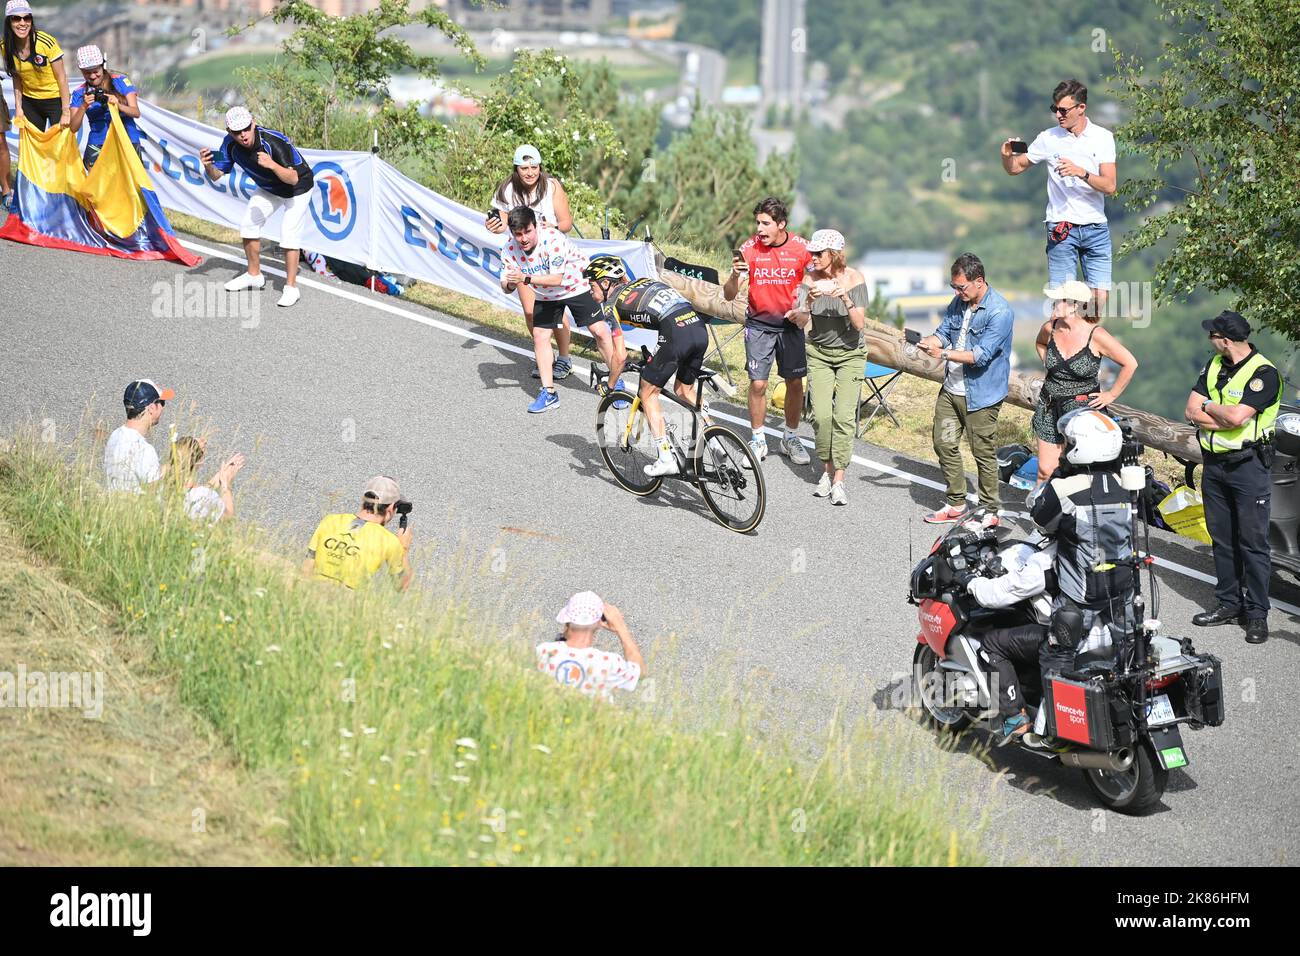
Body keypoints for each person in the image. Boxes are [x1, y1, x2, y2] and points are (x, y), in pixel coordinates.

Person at [1029, 408, 1137, 742]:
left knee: (1056, 656)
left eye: (1067, 442)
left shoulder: (1066, 489)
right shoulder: (1129, 483)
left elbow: (1040, 521)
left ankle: (1048, 730)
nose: (1062, 448)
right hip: (1124, 593)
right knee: (1132, 654)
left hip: (1080, 599)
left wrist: (1057, 479)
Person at [1185, 311, 1282, 645]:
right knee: (1222, 538)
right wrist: (1219, 413)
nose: (1209, 340)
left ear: (1224, 339)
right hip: (1214, 465)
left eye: (1211, 335)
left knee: (1253, 543)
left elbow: (1238, 417)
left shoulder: (1264, 374)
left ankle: (1256, 614)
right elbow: (1190, 410)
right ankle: (1228, 604)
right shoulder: (1213, 364)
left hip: (1248, 466)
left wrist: (1210, 410)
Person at [1001, 78, 1117, 318]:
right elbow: (1015, 168)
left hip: (1095, 225)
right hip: (1061, 226)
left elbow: (1110, 185)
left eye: (1063, 110)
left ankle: (1082, 346)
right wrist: (1006, 156)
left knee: (1098, 301)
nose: (1058, 115)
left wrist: (1081, 172)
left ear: (1081, 108)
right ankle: (1062, 347)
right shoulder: (1048, 138)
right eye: (1055, 110)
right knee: (1063, 303)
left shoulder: (1103, 137)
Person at [584, 255, 706, 477]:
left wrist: (610, 385)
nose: (590, 292)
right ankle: (716, 443)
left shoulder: (611, 306)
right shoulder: (641, 281)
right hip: (697, 327)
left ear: (604, 283)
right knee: (684, 391)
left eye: (591, 285)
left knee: (647, 393)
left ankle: (665, 457)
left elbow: (620, 356)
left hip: (675, 333)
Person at [917, 253, 1015, 526]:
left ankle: (990, 510)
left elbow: (980, 356)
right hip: (951, 391)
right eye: (954, 287)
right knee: (944, 443)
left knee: (981, 453)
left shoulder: (1000, 312)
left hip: (981, 397)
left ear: (979, 281)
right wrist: (929, 341)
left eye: (962, 287)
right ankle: (956, 502)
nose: (958, 292)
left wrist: (943, 353)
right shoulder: (959, 302)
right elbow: (945, 331)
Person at [500, 205, 622, 415]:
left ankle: (616, 382)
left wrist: (524, 278)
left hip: (576, 284)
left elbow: (556, 279)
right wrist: (511, 283)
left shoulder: (553, 240)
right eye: (518, 234)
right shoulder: (509, 249)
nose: (523, 239)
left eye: (527, 232)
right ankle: (549, 393)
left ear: (535, 226)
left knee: (600, 331)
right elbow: (505, 287)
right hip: (546, 294)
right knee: (539, 335)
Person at [723, 196, 812, 465]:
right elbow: (728, 296)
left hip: (790, 326)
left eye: (765, 223)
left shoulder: (801, 247)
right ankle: (758, 439)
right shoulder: (748, 248)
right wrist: (735, 276)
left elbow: (816, 277)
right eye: (757, 223)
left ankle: (790, 437)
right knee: (758, 383)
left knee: (794, 383)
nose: (759, 229)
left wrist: (805, 307)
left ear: (781, 224)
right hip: (759, 325)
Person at [199, 106, 315, 308]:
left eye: (246, 128)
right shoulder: (229, 145)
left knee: (288, 233)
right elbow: (217, 175)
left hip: (298, 187)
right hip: (270, 187)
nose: (243, 135)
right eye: (236, 132)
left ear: (253, 123)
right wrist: (208, 165)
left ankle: (291, 288)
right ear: (229, 132)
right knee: (248, 225)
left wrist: (272, 165)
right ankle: (254, 275)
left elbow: (293, 178)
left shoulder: (273, 141)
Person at [786, 229, 867, 505]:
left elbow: (859, 324)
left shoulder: (855, 278)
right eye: (812, 253)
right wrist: (806, 304)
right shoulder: (809, 279)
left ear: (834, 255)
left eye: (819, 253)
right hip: (819, 352)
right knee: (820, 415)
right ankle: (826, 470)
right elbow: (799, 321)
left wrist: (845, 297)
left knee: (843, 417)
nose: (813, 258)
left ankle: (839, 479)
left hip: (851, 354)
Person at [485, 143, 576, 383]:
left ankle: (565, 358)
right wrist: (494, 226)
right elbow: (503, 223)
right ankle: (544, 355)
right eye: (524, 168)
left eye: (534, 167)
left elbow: (566, 222)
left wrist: (552, 226)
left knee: (554, 311)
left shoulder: (551, 186)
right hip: (523, 256)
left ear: (540, 167)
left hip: (550, 255)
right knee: (530, 310)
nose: (530, 172)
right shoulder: (506, 190)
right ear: (516, 168)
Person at [1032, 279, 1138, 482]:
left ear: (1074, 305)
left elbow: (1130, 363)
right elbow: (1039, 343)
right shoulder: (1050, 328)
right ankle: (1040, 510)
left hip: (1081, 411)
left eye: (1060, 300)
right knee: (1046, 470)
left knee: (1080, 471)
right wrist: (1049, 362)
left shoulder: (1096, 334)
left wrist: (1111, 394)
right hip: (1049, 405)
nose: (1053, 303)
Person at [966, 535, 1057, 743]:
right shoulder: (1105, 549)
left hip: (1060, 636)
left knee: (991, 644)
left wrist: (972, 583)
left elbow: (1000, 593)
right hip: (1103, 631)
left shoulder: (1047, 562)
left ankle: (1015, 717)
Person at [302, 476, 414, 592]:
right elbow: (402, 586)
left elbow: (306, 569)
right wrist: (403, 549)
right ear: (391, 508)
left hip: (312, 594)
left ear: (363, 500)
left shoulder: (330, 520)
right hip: (347, 604)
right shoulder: (389, 541)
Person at [535, 592, 644, 701]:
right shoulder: (608, 663)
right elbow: (641, 675)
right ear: (599, 623)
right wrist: (621, 627)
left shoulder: (544, 652)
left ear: (567, 622)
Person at [68, 44, 143, 170]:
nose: (92, 76)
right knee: (99, 188)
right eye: (87, 73)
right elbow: (73, 128)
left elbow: (136, 112)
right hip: (98, 143)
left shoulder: (121, 81)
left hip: (127, 139)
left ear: (102, 66)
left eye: (96, 71)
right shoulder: (79, 92)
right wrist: (83, 106)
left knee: (131, 187)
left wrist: (118, 105)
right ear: (81, 71)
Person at [1, 1, 69, 133]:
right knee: (33, 147)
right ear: (9, 22)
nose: (22, 23)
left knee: (60, 145)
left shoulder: (46, 42)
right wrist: (18, 107)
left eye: (27, 18)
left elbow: (62, 78)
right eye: (16, 18)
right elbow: (17, 78)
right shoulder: (5, 46)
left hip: (54, 99)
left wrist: (66, 111)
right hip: (30, 101)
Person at [103, 379, 174, 493]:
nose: (163, 408)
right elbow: (153, 491)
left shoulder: (115, 436)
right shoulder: (144, 449)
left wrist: (171, 465)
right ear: (151, 408)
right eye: (162, 403)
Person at [168, 436, 246, 524]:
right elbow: (228, 518)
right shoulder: (203, 495)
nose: (204, 440)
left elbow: (199, 492)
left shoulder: (171, 488)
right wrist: (225, 484)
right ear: (199, 462)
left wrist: (220, 475)